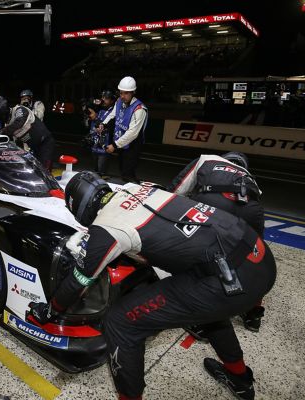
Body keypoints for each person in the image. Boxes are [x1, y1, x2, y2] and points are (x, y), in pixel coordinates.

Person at [28, 171, 276, 400]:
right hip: (259, 257)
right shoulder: (142, 187)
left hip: (229, 281)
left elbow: (79, 282)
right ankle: (240, 379)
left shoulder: (106, 227)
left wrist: (50, 311)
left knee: (120, 322)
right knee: (209, 312)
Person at [170, 151, 266, 333]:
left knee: (197, 253)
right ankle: (253, 314)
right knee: (253, 260)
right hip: (251, 209)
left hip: (213, 200)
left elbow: (176, 191)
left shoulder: (206, 159)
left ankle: (202, 319)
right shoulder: (249, 177)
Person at [0, 95, 56, 171]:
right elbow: (14, 143)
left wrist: (1, 132)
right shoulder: (8, 125)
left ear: (1, 110)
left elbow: (19, 122)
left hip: (45, 143)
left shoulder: (19, 110)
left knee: (44, 171)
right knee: (33, 171)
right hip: (34, 148)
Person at [103, 77, 148, 183]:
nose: (122, 96)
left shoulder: (139, 109)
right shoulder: (119, 101)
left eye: (126, 93)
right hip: (121, 143)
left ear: (133, 92)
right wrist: (103, 124)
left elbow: (132, 133)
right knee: (123, 170)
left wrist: (114, 145)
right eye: (121, 93)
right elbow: (113, 114)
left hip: (132, 145)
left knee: (127, 173)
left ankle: (134, 192)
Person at [82, 98, 110, 176]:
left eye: (90, 112)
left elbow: (103, 127)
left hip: (103, 148)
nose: (89, 114)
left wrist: (96, 118)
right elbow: (88, 128)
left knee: (101, 171)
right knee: (96, 169)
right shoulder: (94, 115)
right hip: (94, 147)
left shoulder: (107, 114)